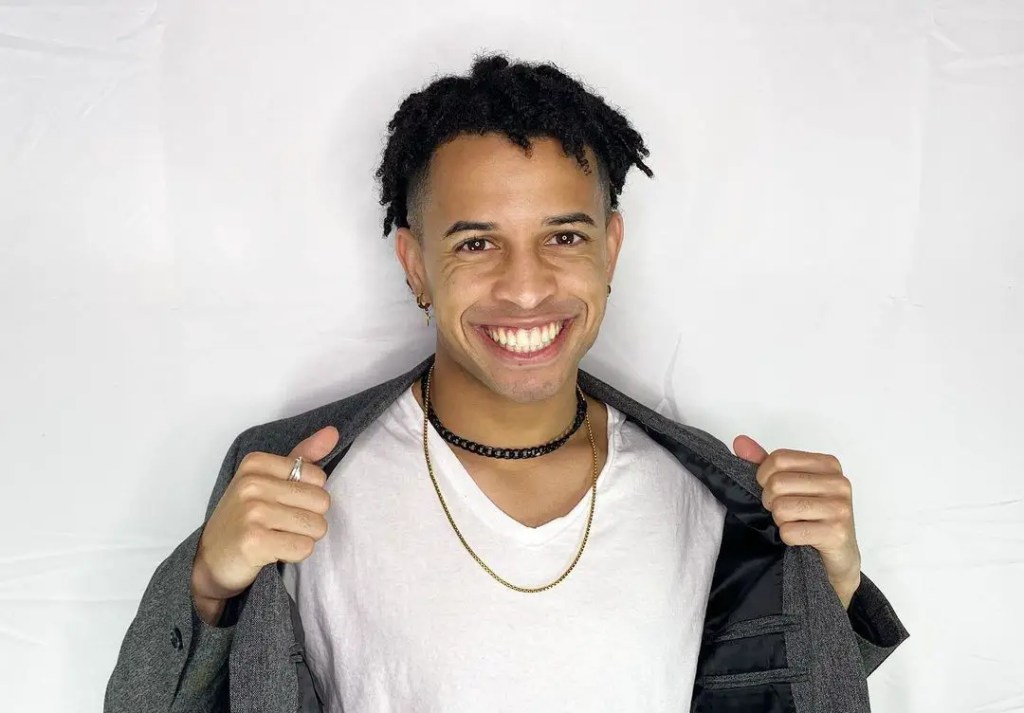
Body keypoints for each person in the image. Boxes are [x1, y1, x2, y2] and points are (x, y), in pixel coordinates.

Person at [105, 53, 908, 713]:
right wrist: (206, 585)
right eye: (477, 243)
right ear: (416, 264)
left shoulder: (713, 497)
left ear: (611, 247)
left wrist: (825, 586)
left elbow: (783, 688)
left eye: (564, 236)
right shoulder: (295, 478)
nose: (526, 289)